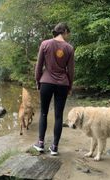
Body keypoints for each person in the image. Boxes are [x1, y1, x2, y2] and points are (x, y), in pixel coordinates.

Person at [33, 22, 75, 156]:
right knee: (58, 116)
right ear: (64, 31)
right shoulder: (69, 48)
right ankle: (55, 147)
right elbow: (71, 70)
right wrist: (70, 86)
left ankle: (40, 143)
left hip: (46, 82)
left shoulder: (45, 44)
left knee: (44, 113)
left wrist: (37, 80)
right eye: (68, 33)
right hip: (62, 84)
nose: (68, 36)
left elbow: (38, 66)